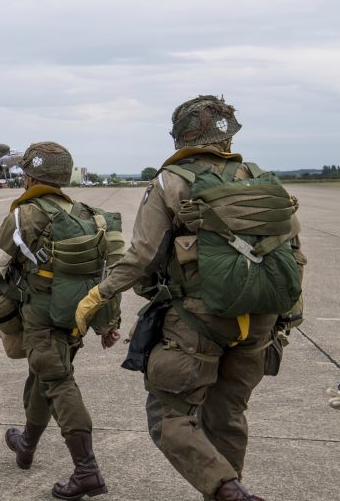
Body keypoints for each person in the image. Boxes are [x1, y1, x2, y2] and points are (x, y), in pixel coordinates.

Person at [74, 96, 304, 501]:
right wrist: (286, 317)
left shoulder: (170, 180)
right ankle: (226, 491)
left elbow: (143, 256)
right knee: (227, 416)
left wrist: (99, 293)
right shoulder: (262, 177)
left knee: (168, 417)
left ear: (182, 135)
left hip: (199, 319)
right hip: (261, 321)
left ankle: (226, 489)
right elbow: (292, 250)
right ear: (228, 134)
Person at [0, 142, 124, 500]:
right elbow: (109, 271)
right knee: (43, 378)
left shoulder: (25, 214)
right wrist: (107, 323)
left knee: (59, 382)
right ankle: (26, 443)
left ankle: (87, 470)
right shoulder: (87, 214)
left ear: (31, 176)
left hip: (42, 316)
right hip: (76, 316)